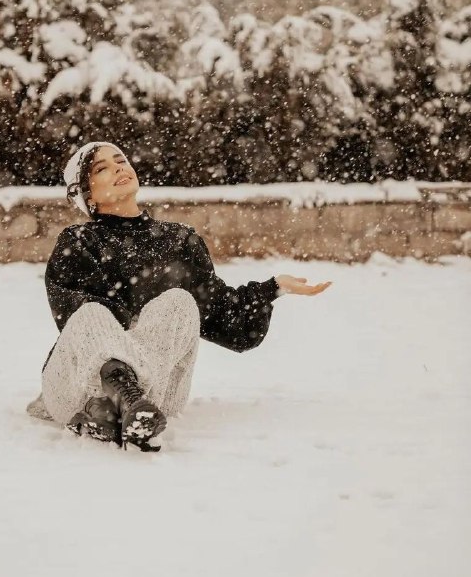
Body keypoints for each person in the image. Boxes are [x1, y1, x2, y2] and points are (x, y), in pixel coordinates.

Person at [26, 140, 332, 452]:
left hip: (153, 395)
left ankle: (123, 404)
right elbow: (73, 318)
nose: (118, 168)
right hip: (77, 389)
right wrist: (135, 324)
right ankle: (112, 394)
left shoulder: (178, 241)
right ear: (87, 195)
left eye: (121, 160)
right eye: (102, 168)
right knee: (90, 313)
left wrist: (272, 288)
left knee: (180, 302)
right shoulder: (79, 241)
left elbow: (226, 320)